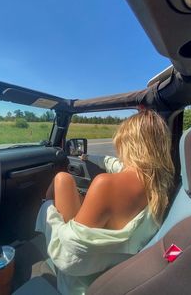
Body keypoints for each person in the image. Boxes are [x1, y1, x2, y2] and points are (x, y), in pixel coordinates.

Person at [35, 110, 175, 295]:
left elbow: (68, 259)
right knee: (64, 180)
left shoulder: (107, 184)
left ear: (128, 144)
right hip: (119, 268)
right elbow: (114, 163)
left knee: (62, 178)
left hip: (84, 281)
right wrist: (88, 158)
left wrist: (48, 209)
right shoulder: (163, 183)